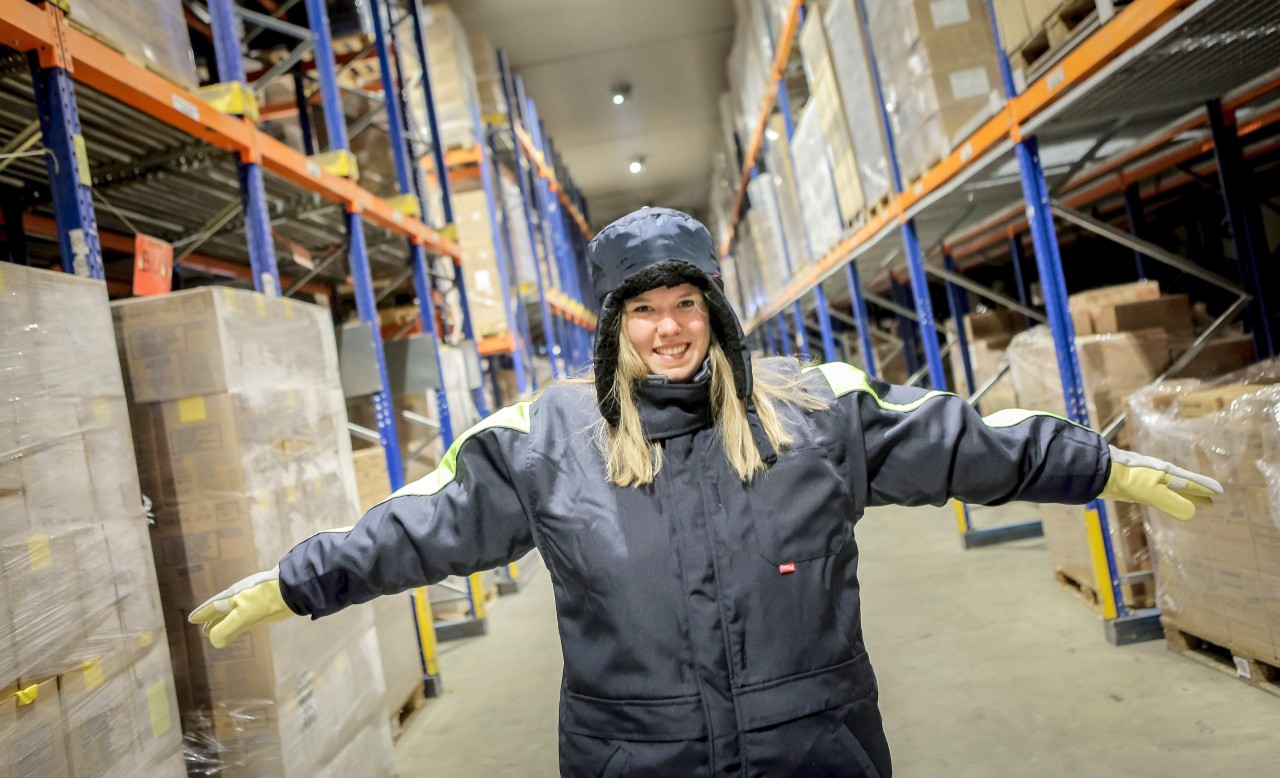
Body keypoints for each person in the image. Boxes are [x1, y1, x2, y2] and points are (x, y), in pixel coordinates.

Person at [191, 208, 1222, 777]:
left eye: (686, 302)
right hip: (634, 760)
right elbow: (423, 523)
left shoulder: (808, 412)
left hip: (816, 751)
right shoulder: (547, 439)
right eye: (643, 310)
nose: (668, 327)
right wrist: (296, 580)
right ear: (611, 327)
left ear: (714, 312)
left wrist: (1106, 465)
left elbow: (961, 438)